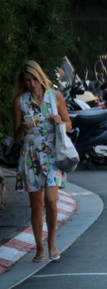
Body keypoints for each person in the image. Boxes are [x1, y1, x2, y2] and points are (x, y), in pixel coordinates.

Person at [12, 60, 72, 263]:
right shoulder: (20, 101)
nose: (32, 84)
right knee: (36, 205)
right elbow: (16, 137)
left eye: (35, 79)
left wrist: (60, 122)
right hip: (30, 156)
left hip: (52, 154)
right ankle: (39, 248)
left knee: (51, 200)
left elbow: (69, 125)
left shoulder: (55, 97)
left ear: (41, 77)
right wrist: (22, 129)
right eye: (27, 80)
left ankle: (52, 242)